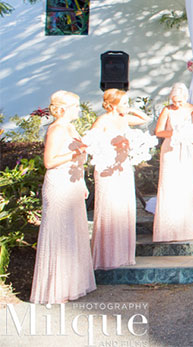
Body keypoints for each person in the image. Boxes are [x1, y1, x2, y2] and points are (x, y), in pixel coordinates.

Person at [30, 91, 96, 304]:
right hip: (59, 184)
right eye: (75, 106)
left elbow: (77, 159)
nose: (78, 109)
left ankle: (72, 284)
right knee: (59, 232)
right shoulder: (56, 129)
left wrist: (83, 182)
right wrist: (76, 153)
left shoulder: (70, 127)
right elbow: (49, 161)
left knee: (73, 232)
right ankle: (55, 289)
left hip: (72, 183)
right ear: (62, 109)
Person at [90, 89, 149, 270]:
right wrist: (113, 145)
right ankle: (107, 257)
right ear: (112, 104)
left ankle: (122, 254)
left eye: (126, 102)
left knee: (124, 208)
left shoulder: (124, 119)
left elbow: (144, 118)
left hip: (123, 168)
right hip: (108, 168)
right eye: (123, 102)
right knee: (111, 208)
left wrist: (129, 109)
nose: (126, 105)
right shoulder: (103, 121)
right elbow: (91, 141)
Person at [152, 83, 193, 242]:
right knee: (170, 185)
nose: (177, 104)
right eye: (174, 101)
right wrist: (176, 132)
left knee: (186, 185)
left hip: (188, 150)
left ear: (185, 98)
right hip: (171, 150)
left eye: (179, 101)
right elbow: (158, 131)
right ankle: (168, 228)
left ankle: (187, 227)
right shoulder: (167, 110)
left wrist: (187, 134)